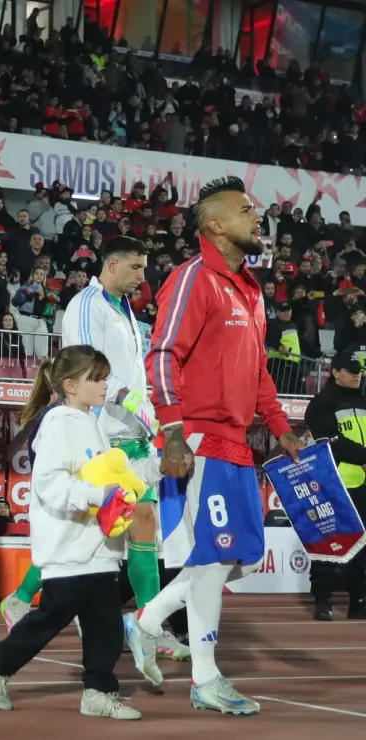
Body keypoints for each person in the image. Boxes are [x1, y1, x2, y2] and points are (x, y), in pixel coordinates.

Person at [135, 176, 305, 715]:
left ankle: (144, 620)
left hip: (238, 442)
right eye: (246, 210)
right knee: (212, 559)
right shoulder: (193, 279)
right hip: (200, 438)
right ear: (216, 224)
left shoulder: (250, 289)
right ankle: (205, 678)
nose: (258, 218)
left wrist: (280, 426)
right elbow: (162, 355)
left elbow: (258, 372)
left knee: (245, 559)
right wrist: (174, 431)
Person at [3, 235, 190, 659]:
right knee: (112, 529)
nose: (143, 277)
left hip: (128, 434)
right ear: (111, 264)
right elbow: (87, 367)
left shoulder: (123, 309)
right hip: (103, 435)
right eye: (136, 268)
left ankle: (144, 622)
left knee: (138, 524)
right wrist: (132, 402)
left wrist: (146, 411)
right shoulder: (88, 304)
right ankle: (143, 624)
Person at [0, 346, 143, 721]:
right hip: (69, 548)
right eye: (96, 378)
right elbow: (50, 484)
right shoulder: (57, 423)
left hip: (99, 548)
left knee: (107, 628)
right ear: (70, 385)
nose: (104, 385)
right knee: (48, 619)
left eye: (104, 377)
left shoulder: (92, 422)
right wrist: (99, 495)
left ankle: (99, 692)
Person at [302, 350, 366, 620]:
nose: (357, 375)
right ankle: (323, 599)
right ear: (335, 372)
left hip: (361, 484)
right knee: (328, 541)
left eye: (359, 370)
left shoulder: (363, 400)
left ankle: (359, 600)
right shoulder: (322, 403)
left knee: (362, 546)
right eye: (350, 371)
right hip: (333, 483)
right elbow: (331, 441)